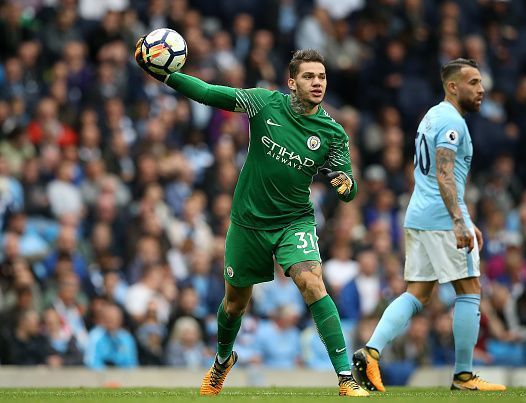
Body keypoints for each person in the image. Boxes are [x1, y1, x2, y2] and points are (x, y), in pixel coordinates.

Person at [134, 41, 368, 397]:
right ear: (292, 82)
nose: (317, 82)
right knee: (234, 304)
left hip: (294, 222)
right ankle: (223, 360)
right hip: (248, 223)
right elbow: (210, 93)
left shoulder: (332, 133)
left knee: (312, 283)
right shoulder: (264, 103)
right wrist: (168, 77)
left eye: (321, 77)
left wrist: (346, 185)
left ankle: (345, 378)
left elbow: (349, 186)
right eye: (309, 76)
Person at [352, 58, 506, 392]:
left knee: (417, 292)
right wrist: (457, 221)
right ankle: (464, 375)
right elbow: (445, 172)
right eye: (474, 83)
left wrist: (467, 216)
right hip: (441, 219)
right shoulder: (453, 122)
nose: (481, 90)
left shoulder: (431, 116)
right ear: (453, 86)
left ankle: (370, 351)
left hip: (419, 214)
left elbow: (438, 175)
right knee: (469, 291)